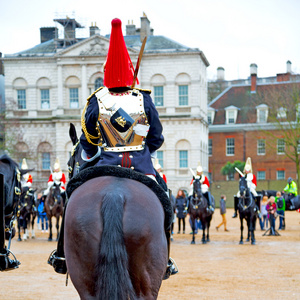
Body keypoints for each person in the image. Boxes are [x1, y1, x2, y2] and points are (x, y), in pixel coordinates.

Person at [48, 18, 177, 279]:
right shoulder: (144, 99)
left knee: (72, 196)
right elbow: (157, 138)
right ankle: (165, 259)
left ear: (106, 71)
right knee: (165, 200)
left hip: (103, 167)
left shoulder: (96, 100)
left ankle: (62, 254)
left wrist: (106, 143)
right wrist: (139, 145)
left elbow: (88, 142)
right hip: (141, 168)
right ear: (130, 70)